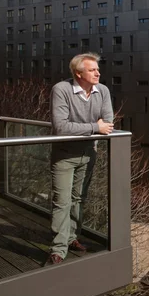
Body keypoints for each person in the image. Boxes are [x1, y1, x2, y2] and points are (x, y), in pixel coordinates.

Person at [46, 52, 114, 265]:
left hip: (88, 154)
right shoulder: (61, 90)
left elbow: (109, 123)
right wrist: (95, 126)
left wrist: (93, 128)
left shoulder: (102, 90)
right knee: (62, 202)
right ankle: (58, 248)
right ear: (78, 73)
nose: (98, 73)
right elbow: (61, 127)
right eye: (92, 70)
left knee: (79, 199)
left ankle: (72, 237)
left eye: (97, 69)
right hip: (64, 155)